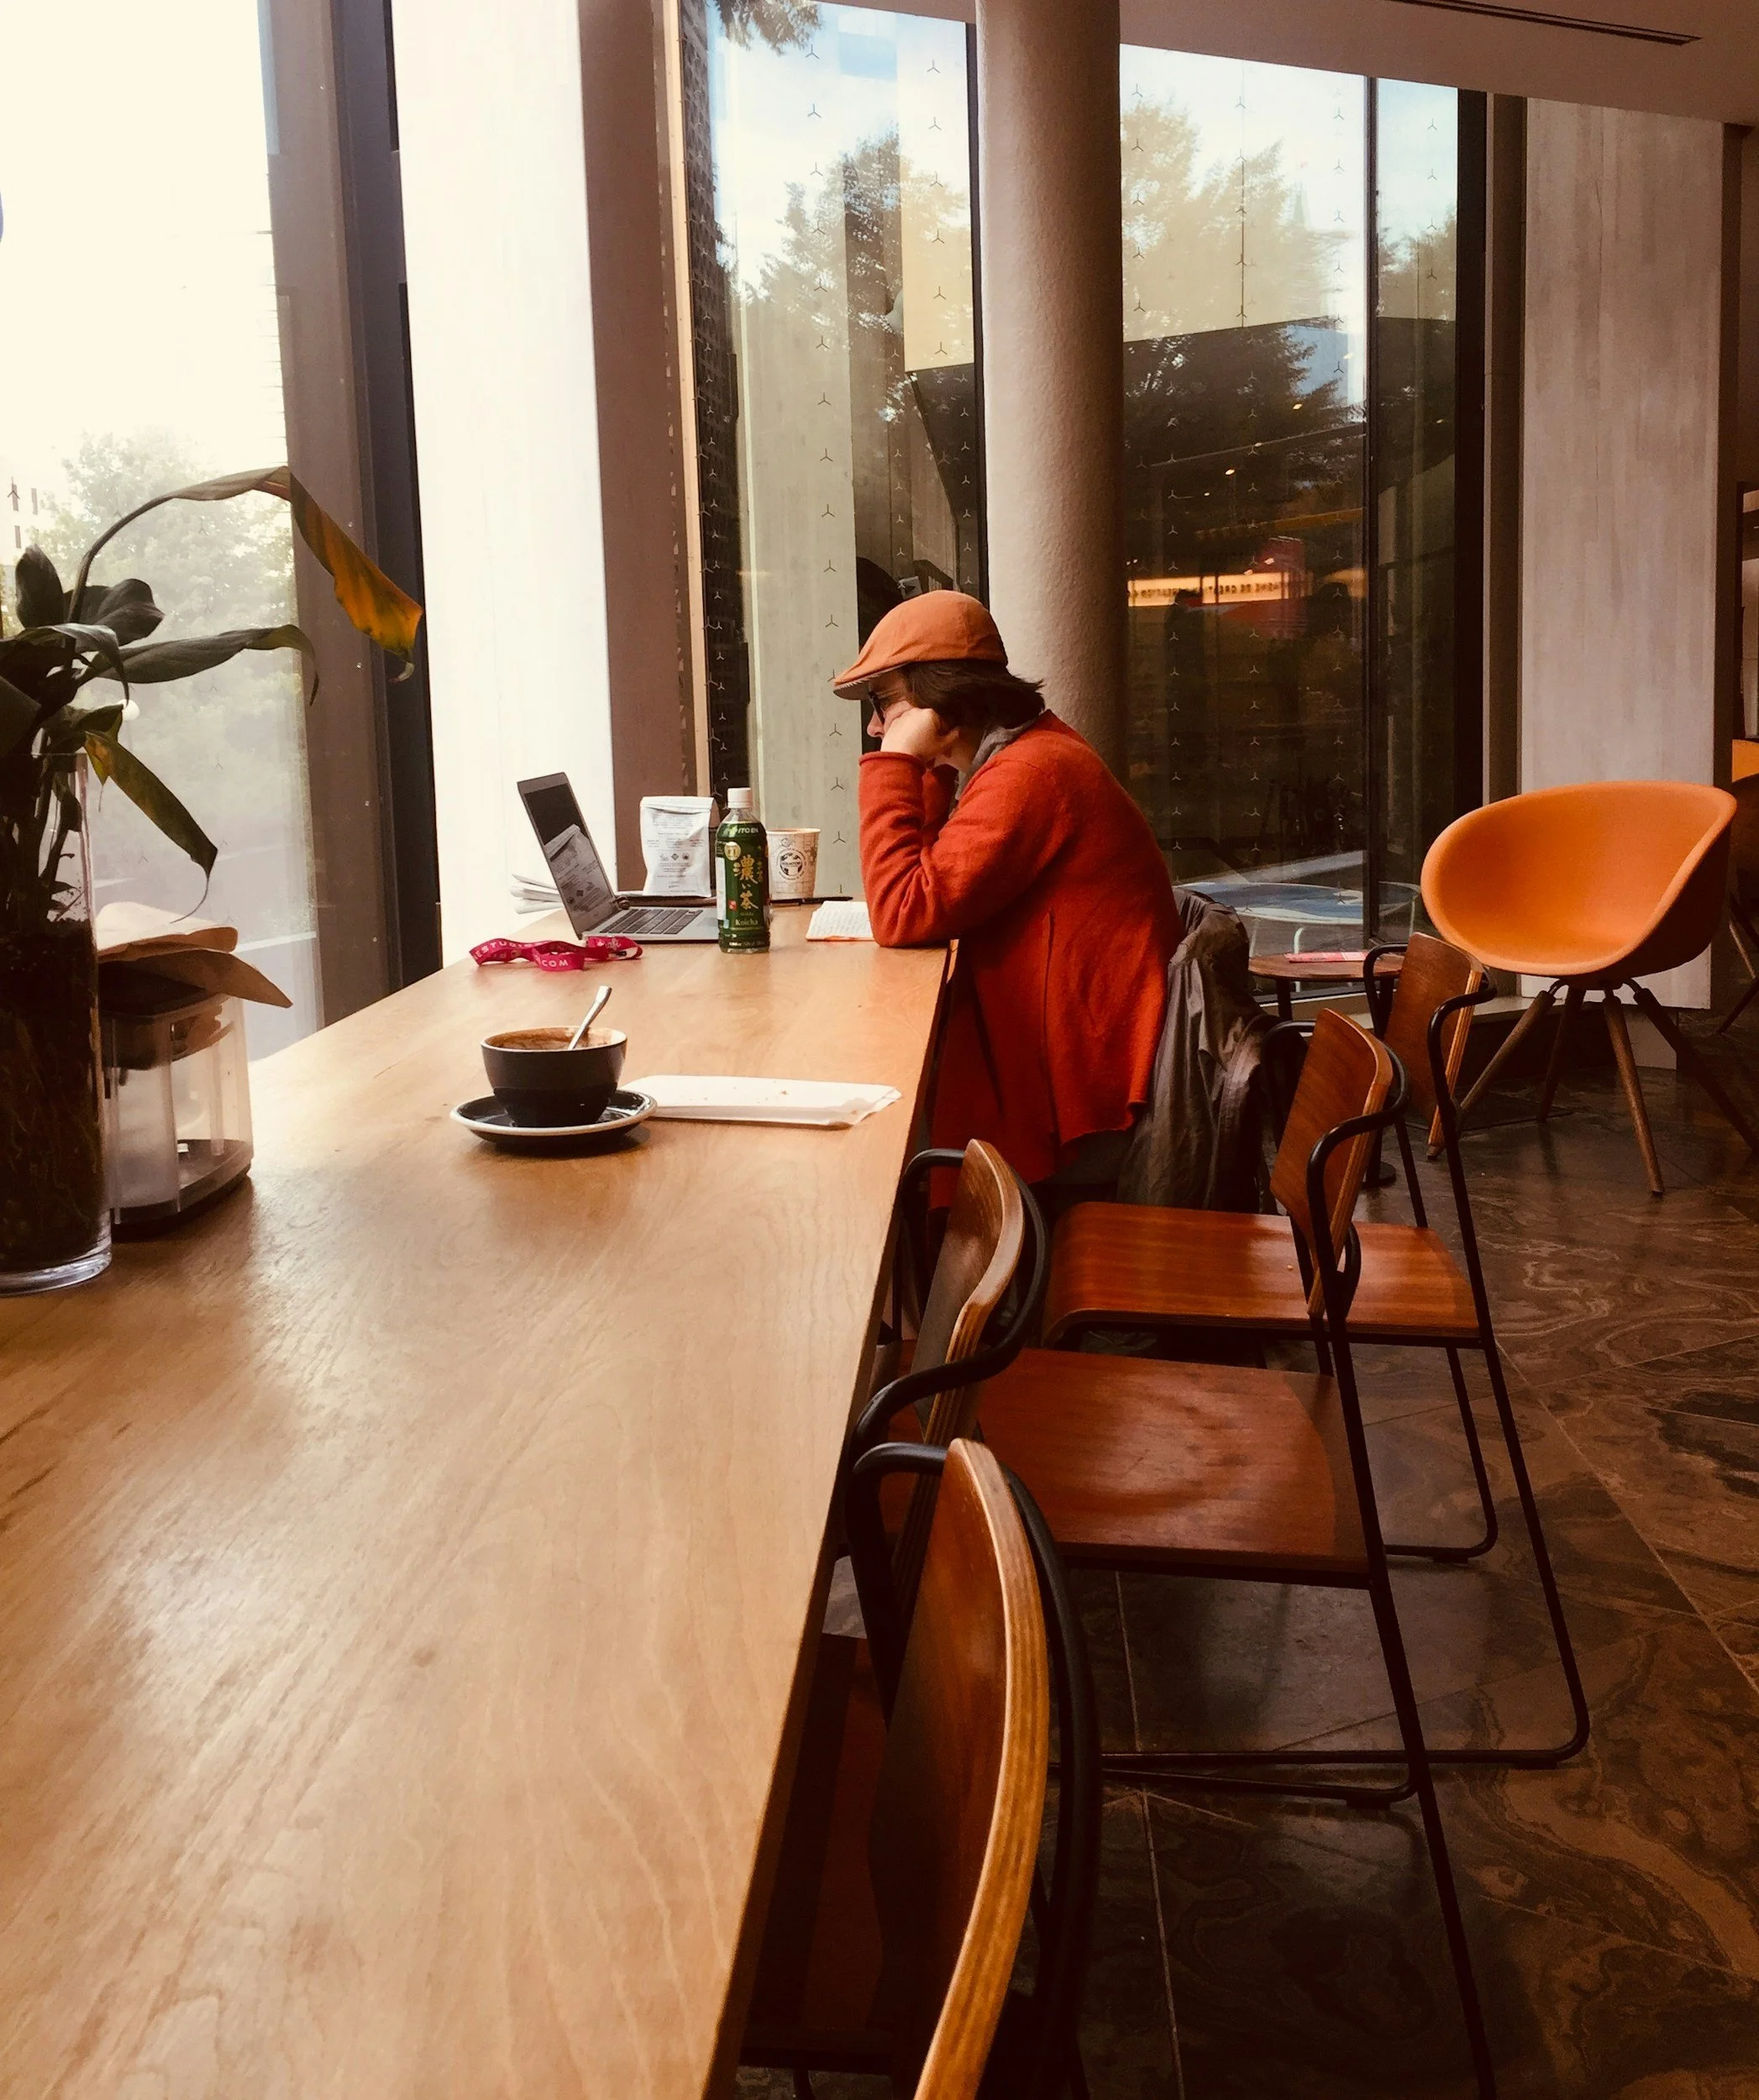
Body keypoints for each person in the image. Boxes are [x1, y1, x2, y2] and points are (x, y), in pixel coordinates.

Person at [833, 591, 1180, 1195]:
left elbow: (903, 911)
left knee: (876, 1147)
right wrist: (931, 770)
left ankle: (931, 1278)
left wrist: (895, 763)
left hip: (1085, 1107)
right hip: (1071, 1064)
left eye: (883, 701)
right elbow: (932, 882)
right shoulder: (1026, 758)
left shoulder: (1032, 773)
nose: (875, 724)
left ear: (938, 693)